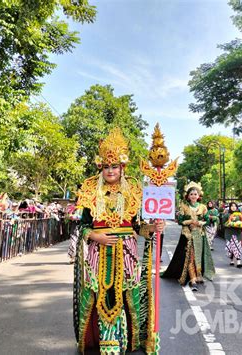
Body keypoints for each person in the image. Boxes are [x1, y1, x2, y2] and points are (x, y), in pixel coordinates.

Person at [73, 128, 163, 355]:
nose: (110, 170)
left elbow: (137, 227)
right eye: (106, 166)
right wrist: (95, 236)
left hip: (127, 252)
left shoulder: (133, 191)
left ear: (122, 168)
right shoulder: (90, 191)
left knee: (126, 295)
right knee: (100, 294)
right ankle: (105, 342)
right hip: (98, 252)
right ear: (100, 168)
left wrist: (153, 228)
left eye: (114, 166)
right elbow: (82, 226)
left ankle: (125, 340)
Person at [161, 182, 215, 291]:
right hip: (187, 235)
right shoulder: (184, 206)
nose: (194, 196)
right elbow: (180, 221)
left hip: (200, 234)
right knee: (190, 257)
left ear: (199, 195)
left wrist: (200, 223)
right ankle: (192, 279)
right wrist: (190, 221)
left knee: (198, 256)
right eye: (191, 194)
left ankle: (199, 275)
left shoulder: (203, 207)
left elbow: (208, 220)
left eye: (195, 194)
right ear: (188, 196)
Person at [222, 202, 242, 268]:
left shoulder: (239, 215)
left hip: (237, 233)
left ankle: (239, 262)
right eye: (232, 206)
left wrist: (241, 225)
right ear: (230, 207)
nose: (233, 207)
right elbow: (223, 224)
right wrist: (229, 224)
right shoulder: (226, 215)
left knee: (238, 247)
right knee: (230, 248)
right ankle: (232, 260)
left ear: (236, 207)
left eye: (235, 206)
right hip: (229, 233)